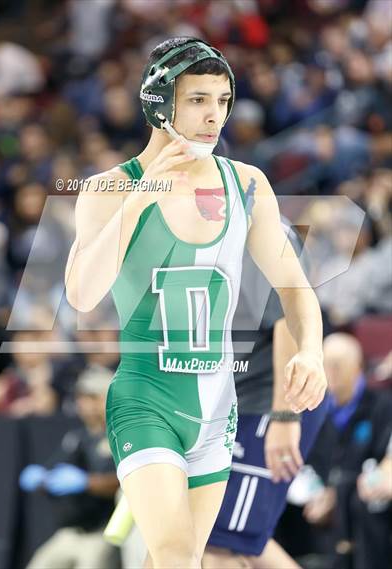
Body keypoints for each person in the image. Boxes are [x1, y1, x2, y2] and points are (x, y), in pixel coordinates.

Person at [65, 37, 327, 569]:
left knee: (186, 560)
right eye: (199, 100)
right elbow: (80, 296)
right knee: (177, 554)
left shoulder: (247, 184)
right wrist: (140, 202)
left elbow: (296, 288)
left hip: (216, 409)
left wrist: (313, 352)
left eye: (223, 100)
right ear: (160, 104)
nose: (215, 116)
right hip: (145, 398)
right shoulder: (108, 188)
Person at [203, 223, 329, 569]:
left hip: (269, 403)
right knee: (212, 538)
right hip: (233, 407)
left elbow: (289, 320)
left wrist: (284, 415)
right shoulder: (196, 235)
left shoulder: (263, 234)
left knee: (222, 546)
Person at [303, 333, 392, 569]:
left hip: (364, 495)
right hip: (324, 499)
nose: (330, 371)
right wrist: (318, 492)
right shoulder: (314, 410)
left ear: (358, 367)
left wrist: (339, 491)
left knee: (360, 501)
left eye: (338, 364)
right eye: (325, 364)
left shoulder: (382, 405)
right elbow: (308, 462)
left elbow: (384, 460)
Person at [19, 364, 120, 569]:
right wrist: (42, 478)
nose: (86, 405)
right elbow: (54, 471)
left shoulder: (121, 434)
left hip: (106, 532)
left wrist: (87, 483)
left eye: (94, 397)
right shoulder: (76, 437)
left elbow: (125, 482)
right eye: (82, 398)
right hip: (72, 531)